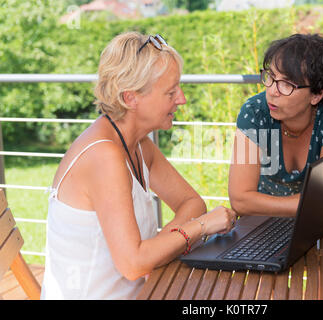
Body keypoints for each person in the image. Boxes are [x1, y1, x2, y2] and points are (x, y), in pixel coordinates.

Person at [41, 32, 236, 300]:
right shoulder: (104, 156)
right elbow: (133, 265)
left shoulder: (138, 144)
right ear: (130, 98)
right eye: (171, 92)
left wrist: (159, 249)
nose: (182, 99)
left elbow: (191, 202)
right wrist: (200, 227)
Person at [229, 33, 323, 217]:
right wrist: (305, 205)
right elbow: (240, 200)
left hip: (314, 228)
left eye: (287, 84)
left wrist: (321, 205)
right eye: (270, 77)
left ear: (316, 95)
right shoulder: (254, 113)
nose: (272, 91)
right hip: (259, 226)